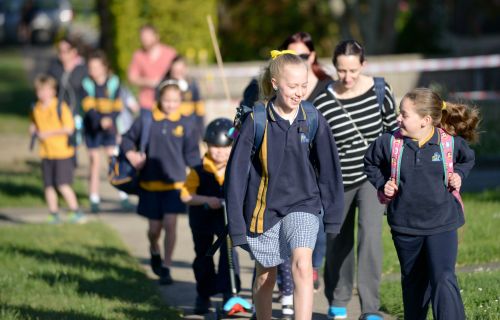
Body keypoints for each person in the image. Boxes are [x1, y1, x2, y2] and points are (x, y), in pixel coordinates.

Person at [225, 51, 344, 320]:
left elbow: (329, 170)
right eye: (293, 86)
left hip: (304, 205)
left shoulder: (312, 118)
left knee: (302, 266)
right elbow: (235, 177)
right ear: (276, 83)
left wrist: (333, 215)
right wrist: (236, 226)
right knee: (266, 277)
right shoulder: (256, 120)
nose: (299, 92)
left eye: (304, 86)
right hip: (264, 211)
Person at [364, 88, 478, 320]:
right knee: (414, 282)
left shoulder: (449, 144)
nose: (398, 118)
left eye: (404, 114)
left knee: (443, 278)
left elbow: (468, 159)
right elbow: (370, 163)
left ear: (426, 120)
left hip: (442, 224)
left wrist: (459, 175)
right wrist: (382, 184)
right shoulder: (389, 143)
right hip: (405, 227)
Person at [313, 40, 398, 320]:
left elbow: (395, 133)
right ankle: (338, 298)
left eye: (352, 70)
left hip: (372, 178)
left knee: (370, 236)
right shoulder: (323, 101)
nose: (347, 77)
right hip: (337, 180)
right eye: (341, 71)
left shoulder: (380, 91)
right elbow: (316, 144)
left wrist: (395, 173)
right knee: (338, 240)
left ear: (363, 65)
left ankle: (370, 308)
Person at [121, 80, 201, 285]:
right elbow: (127, 140)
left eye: (175, 101)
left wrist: (203, 174)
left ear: (180, 101)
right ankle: (154, 249)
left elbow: (192, 156)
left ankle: (166, 266)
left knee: (170, 224)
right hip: (149, 185)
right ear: (159, 99)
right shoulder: (147, 120)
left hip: (175, 185)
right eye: (167, 100)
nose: (171, 104)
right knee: (154, 229)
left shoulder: (186, 124)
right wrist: (132, 155)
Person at [181, 118, 240, 315]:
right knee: (204, 257)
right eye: (215, 147)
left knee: (229, 254)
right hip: (202, 220)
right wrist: (207, 199)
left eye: (225, 147)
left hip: (225, 220)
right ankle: (203, 294)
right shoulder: (198, 170)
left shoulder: (236, 168)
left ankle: (229, 294)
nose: (220, 151)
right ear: (206, 145)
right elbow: (186, 195)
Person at [29, 74, 86, 224]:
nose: (43, 94)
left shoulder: (60, 107)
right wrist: (33, 129)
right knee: (48, 185)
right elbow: (34, 123)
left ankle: (75, 210)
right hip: (46, 153)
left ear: (53, 91)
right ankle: (53, 213)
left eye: (46, 90)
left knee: (62, 184)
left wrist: (48, 133)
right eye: (40, 91)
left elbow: (69, 128)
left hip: (62, 153)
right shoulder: (36, 108)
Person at [81, 50, 131, 213]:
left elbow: (118, 105)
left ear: (104, 67)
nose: (93, 71)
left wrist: (109, 118)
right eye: (91, 67)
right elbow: (88, 107)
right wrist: (99, 120)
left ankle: (123, 195)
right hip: (92, 129)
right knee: (94, 162)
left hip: (110, 128)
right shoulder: (86, 84)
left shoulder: (114, 82)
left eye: (96, 67)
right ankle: (94, 198)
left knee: (113, 161)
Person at [128, 24, 177, 112]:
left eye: (148, 36)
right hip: (147, 104)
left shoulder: (170, 53)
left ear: (156, 36)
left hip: (169, 104)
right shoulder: (138, 55)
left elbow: (179, 73)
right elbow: (132, 78)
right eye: (142, 37)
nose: (145, 39)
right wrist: (150, 82)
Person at [159, 55, 205, 141]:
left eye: (180, 70)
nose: (177, 73)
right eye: (175, 71)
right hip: (171, 125)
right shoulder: (165, 85)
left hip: (190, 125)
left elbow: (200, 109)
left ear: (185, 69)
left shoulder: (192, 84)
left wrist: (201, 131)